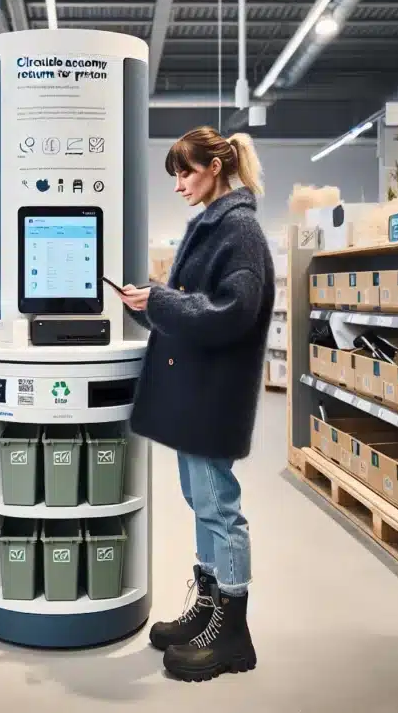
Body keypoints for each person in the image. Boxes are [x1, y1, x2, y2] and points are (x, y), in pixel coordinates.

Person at [114, 126, 275, 682]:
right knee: (200, 499)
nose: (179, 184)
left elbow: (233, 310)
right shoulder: (213, 225)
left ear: (215, 167)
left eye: (186, 172)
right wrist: (150, 304)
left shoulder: (240, 230)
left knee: (218, 507)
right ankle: (208, 609)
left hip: (214, 393)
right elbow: (191, 306)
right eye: (175, 175)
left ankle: (232, 634)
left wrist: (161, 300)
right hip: (198, 393)